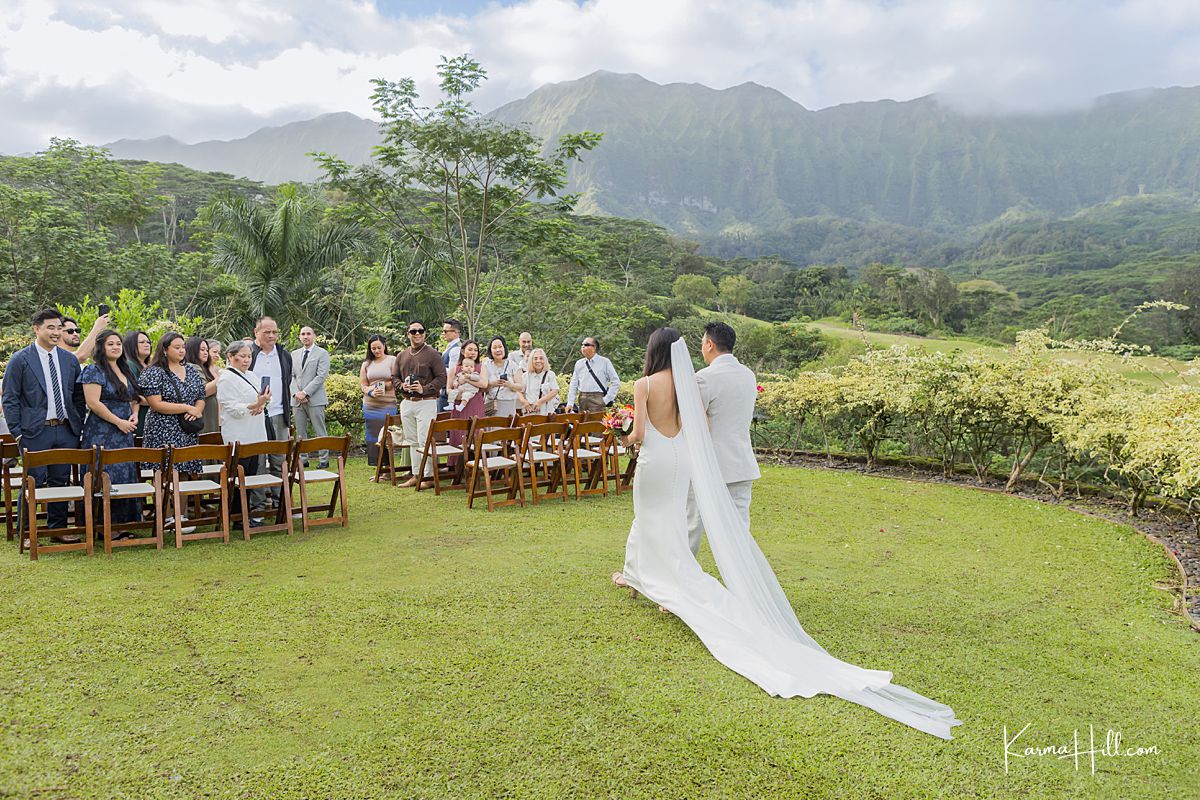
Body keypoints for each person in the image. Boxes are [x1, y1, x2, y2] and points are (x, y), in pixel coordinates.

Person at [612, 327, 962, 741]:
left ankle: (678, 586)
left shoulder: (690, 381)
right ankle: (736, 590)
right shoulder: (743, 376)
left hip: (696, 467)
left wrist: (624, 430)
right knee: (735, 537)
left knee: (685, 526)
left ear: (708, 345)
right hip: (738, 464)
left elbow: (677, 427)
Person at [1, 309, 85, 543]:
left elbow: (78, 395)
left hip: (66, 429)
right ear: (36, 328)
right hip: (34, 432)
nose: (57, 332)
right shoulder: (20, 359)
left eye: (60, 327)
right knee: (33, 480)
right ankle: (26, 533)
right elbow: (10, 398)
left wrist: (76, 423)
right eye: (51, 327)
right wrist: (17, 433)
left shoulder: (69, 360)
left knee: (60, 481)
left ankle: (57, 529)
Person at [684, 321, 761, 557]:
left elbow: (695, 423)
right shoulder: (748, 375)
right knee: (739, 531)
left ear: (709, 344)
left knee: (691, 527)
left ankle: (683, 579)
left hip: (709, 465)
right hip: (741, 464)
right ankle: (746, 584)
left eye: (702, 344)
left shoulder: (704, 378)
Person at [79, 329, 142, 532]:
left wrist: (134, 414)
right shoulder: (93, 371)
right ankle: (103, 526)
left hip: (125, 432)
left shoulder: (126, 370)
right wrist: (118, 422)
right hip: (102, 431)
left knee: (124, 474)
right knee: (105, 474)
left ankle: (124, 524)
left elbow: (134, 398)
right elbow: (93, 403)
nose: (116, 347)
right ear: (101, 347)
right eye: (110, 344)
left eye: (118, 343)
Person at [140, 333, 206, 490]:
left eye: (183, 347)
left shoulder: (191, 370)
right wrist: (186, 407)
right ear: (164, 350)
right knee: (163, 471)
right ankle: (165, 513)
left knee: (185, 469)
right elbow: (156, 403)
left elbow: (201, 396)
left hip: (187, 428)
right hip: (163, 427)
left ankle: (181, 513)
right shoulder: (154, 372)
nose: (181, 351)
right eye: (177, 347)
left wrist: (197, 409)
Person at [217, 341, 271, 520]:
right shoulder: (225, 378)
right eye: (242, 356)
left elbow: (260, 398)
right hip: (238, 433)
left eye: (249, 356)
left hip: (255, 431)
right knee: (237, 475)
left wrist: (261, 404)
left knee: (251, 474)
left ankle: (246, 514)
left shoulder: (252, 375)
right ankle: (236, 516)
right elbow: (232, 408)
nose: (246, 360)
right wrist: (255, 404)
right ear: (230, 357)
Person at [392, 321, 446, 488]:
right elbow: (394, 378)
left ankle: (428, 477)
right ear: (408, 334)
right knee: (412, 440)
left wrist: (425, 389)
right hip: (407, 402)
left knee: (425, 440)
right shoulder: (401, 355)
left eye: (420, 331)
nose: (417, 334)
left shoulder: (433, 354)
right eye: (413, 331)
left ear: (425, 333)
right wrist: (402, 386)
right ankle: (417, 474)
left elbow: (442, 378)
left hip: (426, 402)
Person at [249, 317, 292, 505]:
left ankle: (280, 502)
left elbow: (287, 381)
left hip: (279, 414)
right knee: (258, 462)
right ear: (256, 332)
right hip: (255, 416)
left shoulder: (283, 355)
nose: (272, 336)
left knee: (279, 460)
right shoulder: (249, 354)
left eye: (274, 332)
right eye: (267, 332)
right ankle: (257, 506)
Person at [291, 326, 331, 468]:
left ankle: (324, 459)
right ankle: (303, 458)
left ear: (314, 336)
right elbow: (291, 376)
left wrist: (306, 392)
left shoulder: (322, 353)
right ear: (299, 337)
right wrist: (297, 393)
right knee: (300, 431)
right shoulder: (294, 354)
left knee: (320, 430)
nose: (305, 336)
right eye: (303, 334)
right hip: (297, 400)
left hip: (315, 398)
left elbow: (321, 376)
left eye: (308, 333)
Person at [359, 334, 397, 472]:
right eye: (373, 348)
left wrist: (383, 386)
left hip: (388, 404)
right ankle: (378, 468)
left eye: (379, 347)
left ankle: (388, 468)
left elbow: (395, 380)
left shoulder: (392, 360)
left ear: (384, 346)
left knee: (386, 435)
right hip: (370, 406)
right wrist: (371, 391)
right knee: (373, 436)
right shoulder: (366, 364)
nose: (376, 351)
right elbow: (363, 385)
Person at [447, 339, 485, 454]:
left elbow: (483, 384)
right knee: (459, 434)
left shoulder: (481, 367)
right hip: (459, 404)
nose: (473, 352)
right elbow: (448, 389)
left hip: (476, 404)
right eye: (470, 349)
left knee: (476, 433)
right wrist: (457, 396)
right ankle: (456, 466)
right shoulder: (455, 369)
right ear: (463, 351)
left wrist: (467, 379)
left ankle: (476, 465)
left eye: (475, 350)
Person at [565, 336, 620, 413]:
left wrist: (606, 400)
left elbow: (616, 382)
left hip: (598, 398)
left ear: (594, 347)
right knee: (582, 424)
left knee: (597, 424)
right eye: (582, 345)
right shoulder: (579, 363)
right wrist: (570, 403)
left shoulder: (604, 362)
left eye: (586, 344)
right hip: (582, 399)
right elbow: (574, 384)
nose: (583, 346)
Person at [185, 336, 221, 435]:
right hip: (202, 416)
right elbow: (203, 391)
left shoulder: (207, 368)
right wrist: (222, 378)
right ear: (192, 350)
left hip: (210, 417)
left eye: (207, 350)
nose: (206, 353)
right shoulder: (191, 367)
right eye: (202, 350)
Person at [122, 330, 153, 438]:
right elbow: (132, 395)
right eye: (142, 342)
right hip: (138, 418)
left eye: (148, 342)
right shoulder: (130, 365)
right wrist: (158, 403)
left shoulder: (149, 366)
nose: (147, 344)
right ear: (131, 345)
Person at [481, 335, 521, 417]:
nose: (498, 350)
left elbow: (521, 387)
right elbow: (482, 388)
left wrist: (509, 384)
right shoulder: (486, 365)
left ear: (504, 348)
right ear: (490, 350)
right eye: (494, 347)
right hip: (491, 406)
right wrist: (492, 383)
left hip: (508, 406)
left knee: (506, 429)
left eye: (500, 347)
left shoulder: (513, 365)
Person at [517, 348, 559, 415]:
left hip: (546, 412)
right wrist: (524, 402)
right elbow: (519, 392)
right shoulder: (525, 376)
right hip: (530, 412)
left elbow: (555, 391)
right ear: (531, 360)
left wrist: (540, 402)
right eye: (535, 358)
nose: (538, 361)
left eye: (541, 358)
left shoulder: (550, 375)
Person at [437, 319, 463, 413]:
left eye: (445, 331)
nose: (443, 334)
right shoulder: (450, 347)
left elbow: (454, 372)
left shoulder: (456, 349)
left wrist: (437, 368)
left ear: (456, 332)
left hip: (448, 393)